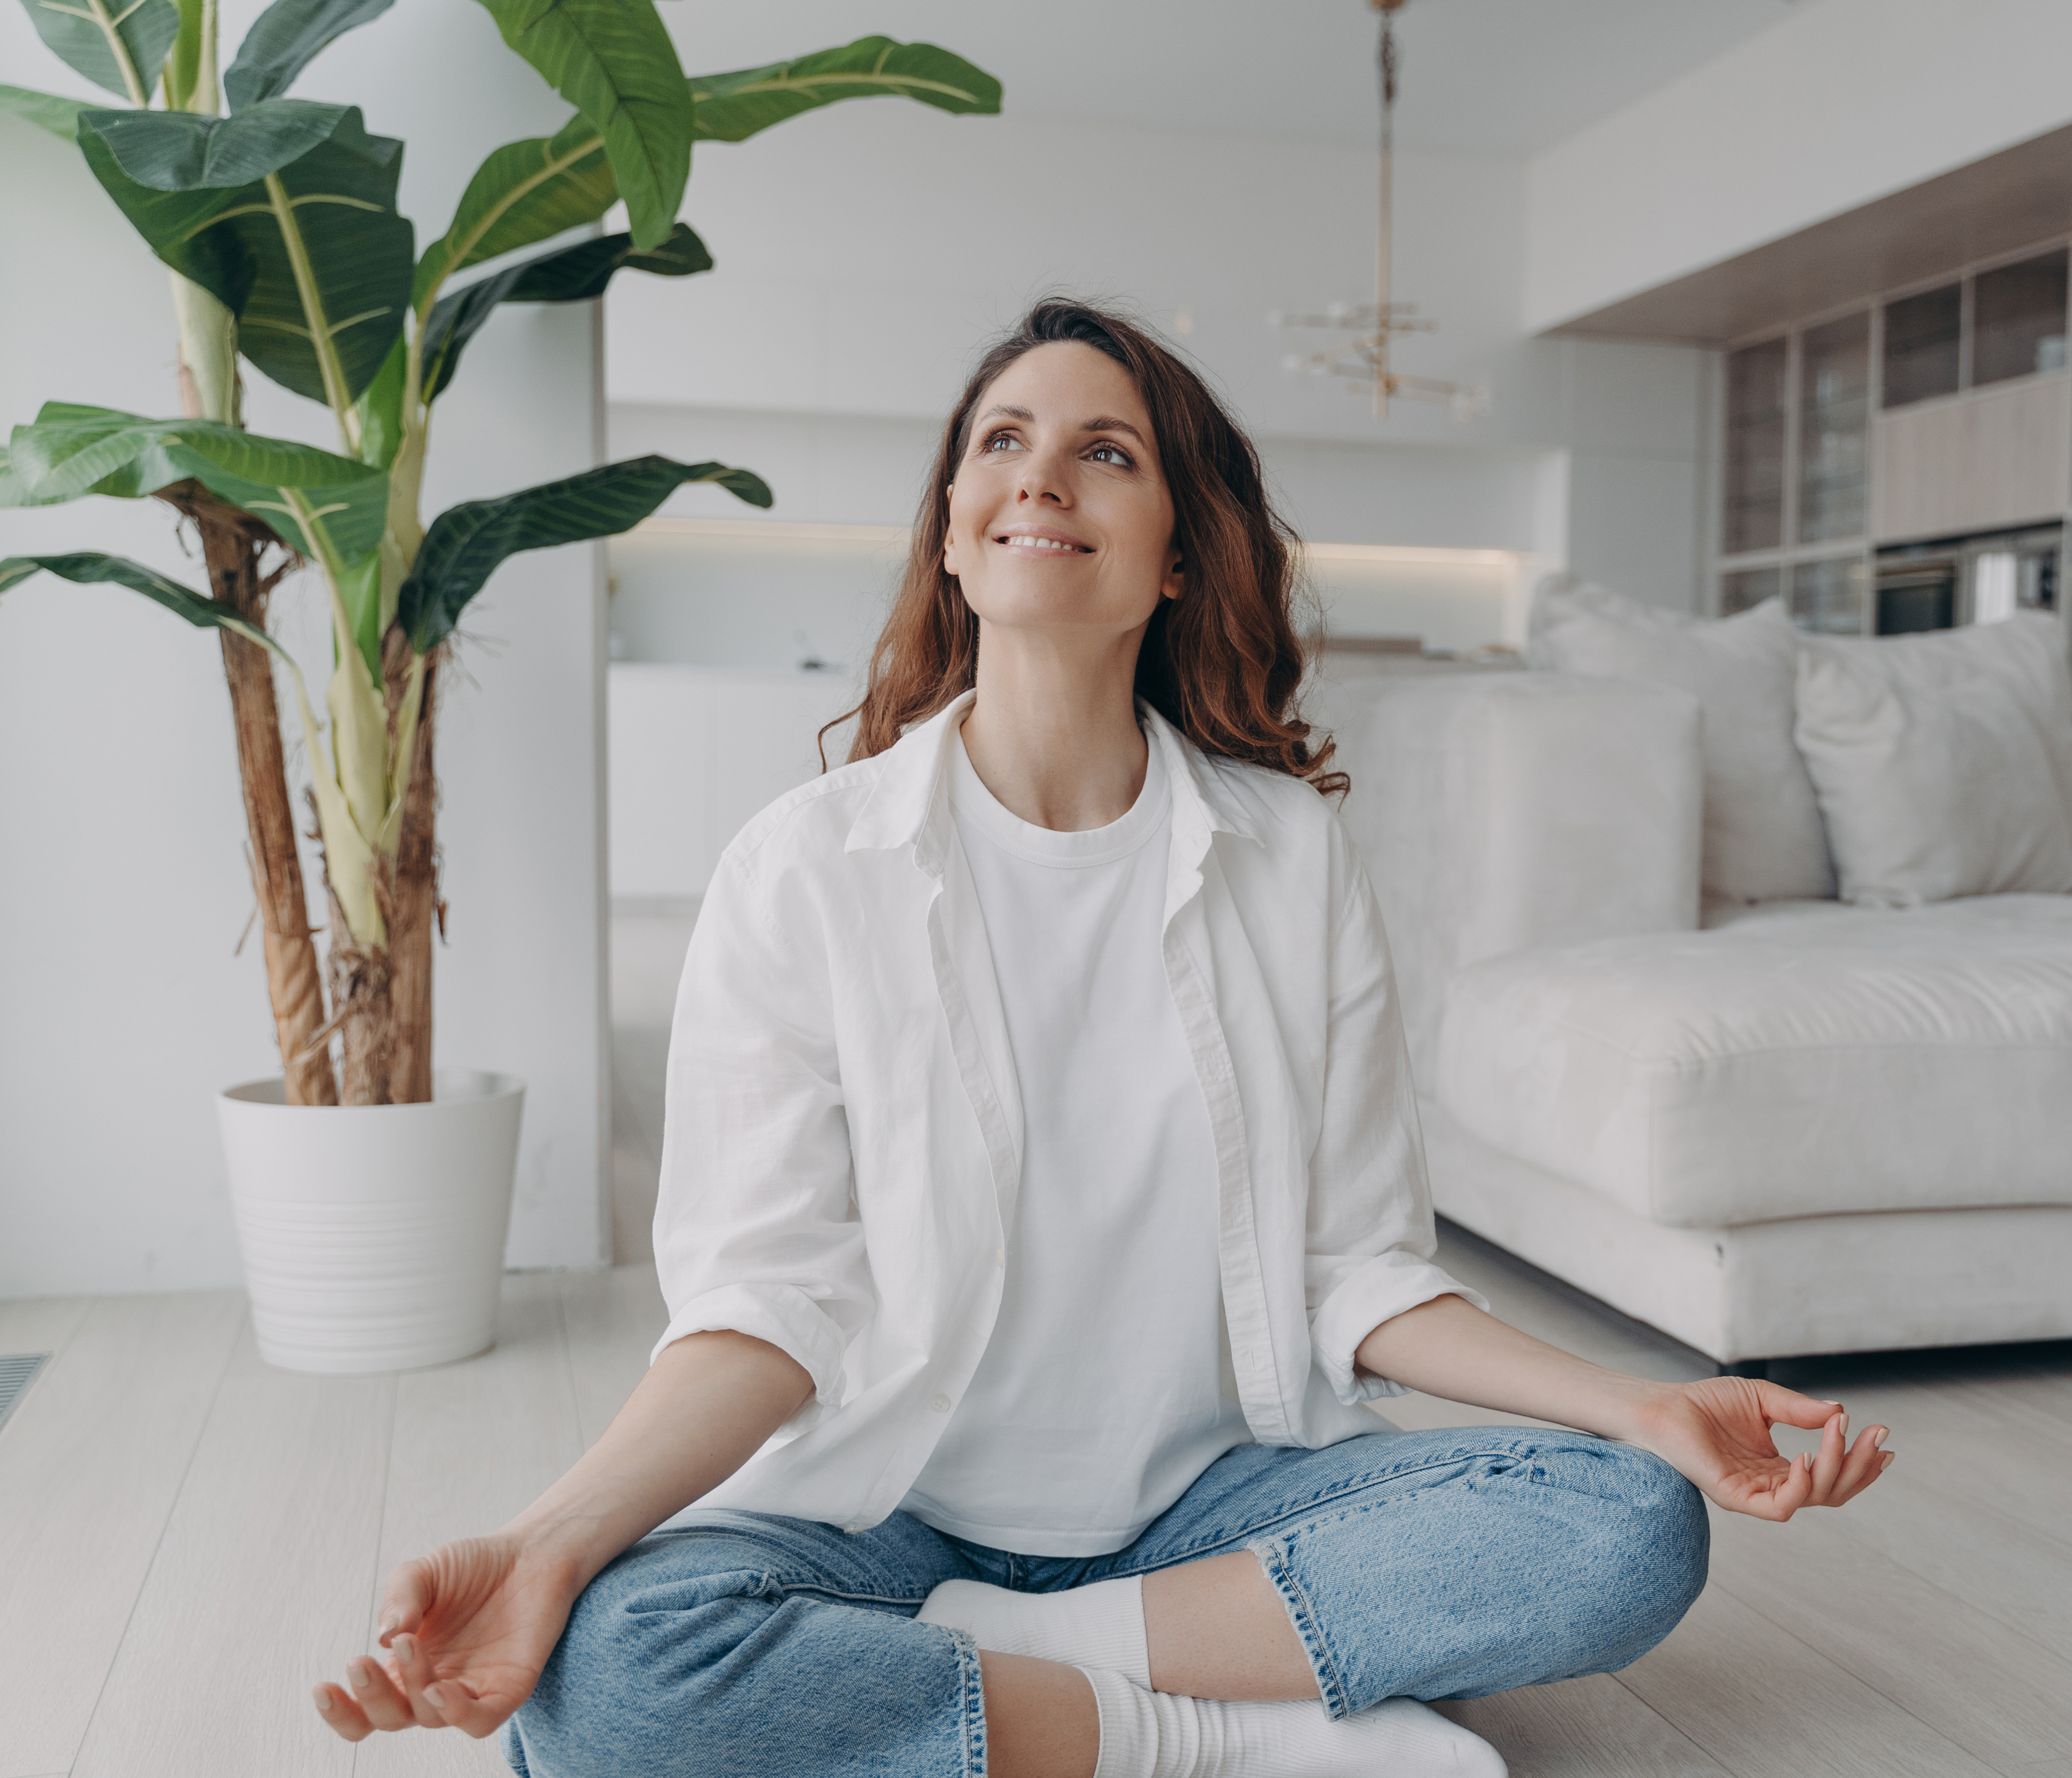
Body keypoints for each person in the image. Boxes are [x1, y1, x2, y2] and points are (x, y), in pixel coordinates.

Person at [309, 298, 1893, 1778]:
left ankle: (1005, 1674)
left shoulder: (1291, 855)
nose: (1040, 477)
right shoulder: (803, 868)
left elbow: (1358, 1269)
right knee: (608, 1683)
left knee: (1627, 1526)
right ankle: (1238, 1734)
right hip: (886, 1511)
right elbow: (764, 1302)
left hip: (1211, 1501)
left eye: (1106, 450)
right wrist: (548, 1544)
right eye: (999, 441)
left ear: (1182, 557)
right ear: (951, 532)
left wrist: (1641, 1405)